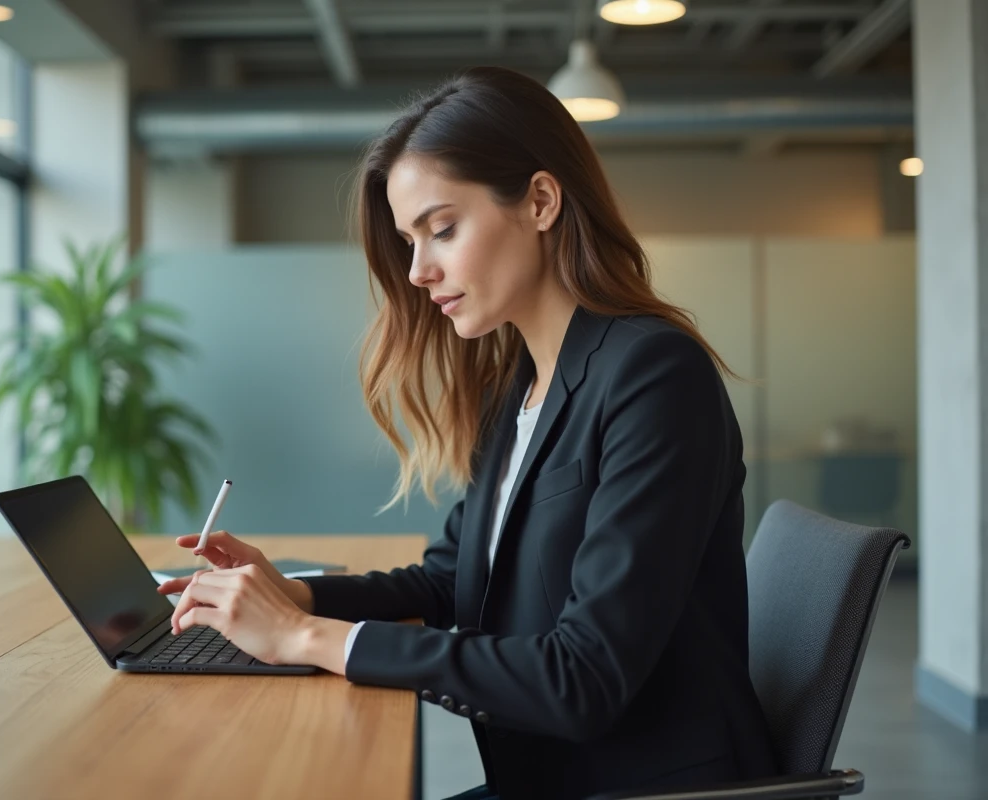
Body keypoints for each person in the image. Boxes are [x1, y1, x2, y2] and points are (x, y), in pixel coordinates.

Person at [155, 66, 778, 800]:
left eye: (442, 229)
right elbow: (452, 580)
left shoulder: (653, 376)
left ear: (541, 201)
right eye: (410, 242)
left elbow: (584, 679)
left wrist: (305, 641)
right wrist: (295, 597)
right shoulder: (521, 384)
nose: (418, 271)